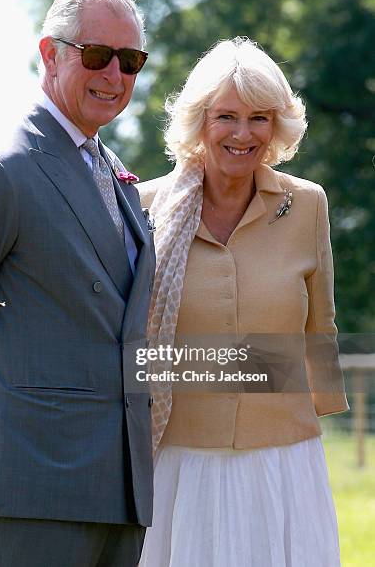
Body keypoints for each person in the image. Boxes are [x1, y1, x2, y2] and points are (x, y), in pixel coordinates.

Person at [0, 0, 155, 567]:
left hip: (119, 486)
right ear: (51, 54)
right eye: (97, 56)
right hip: (28, 481)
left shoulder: (114, 173)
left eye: (131, 61)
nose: (114, 75)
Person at [138, 37, 348, 566]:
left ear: (278, 126)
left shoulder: (307, 204)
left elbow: (319, 324)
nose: (242, 133)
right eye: (226, 116)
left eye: (259, 117)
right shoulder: (143, 207)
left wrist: (321, 412)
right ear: (198, 121)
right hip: (178, 461)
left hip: (283, 460)